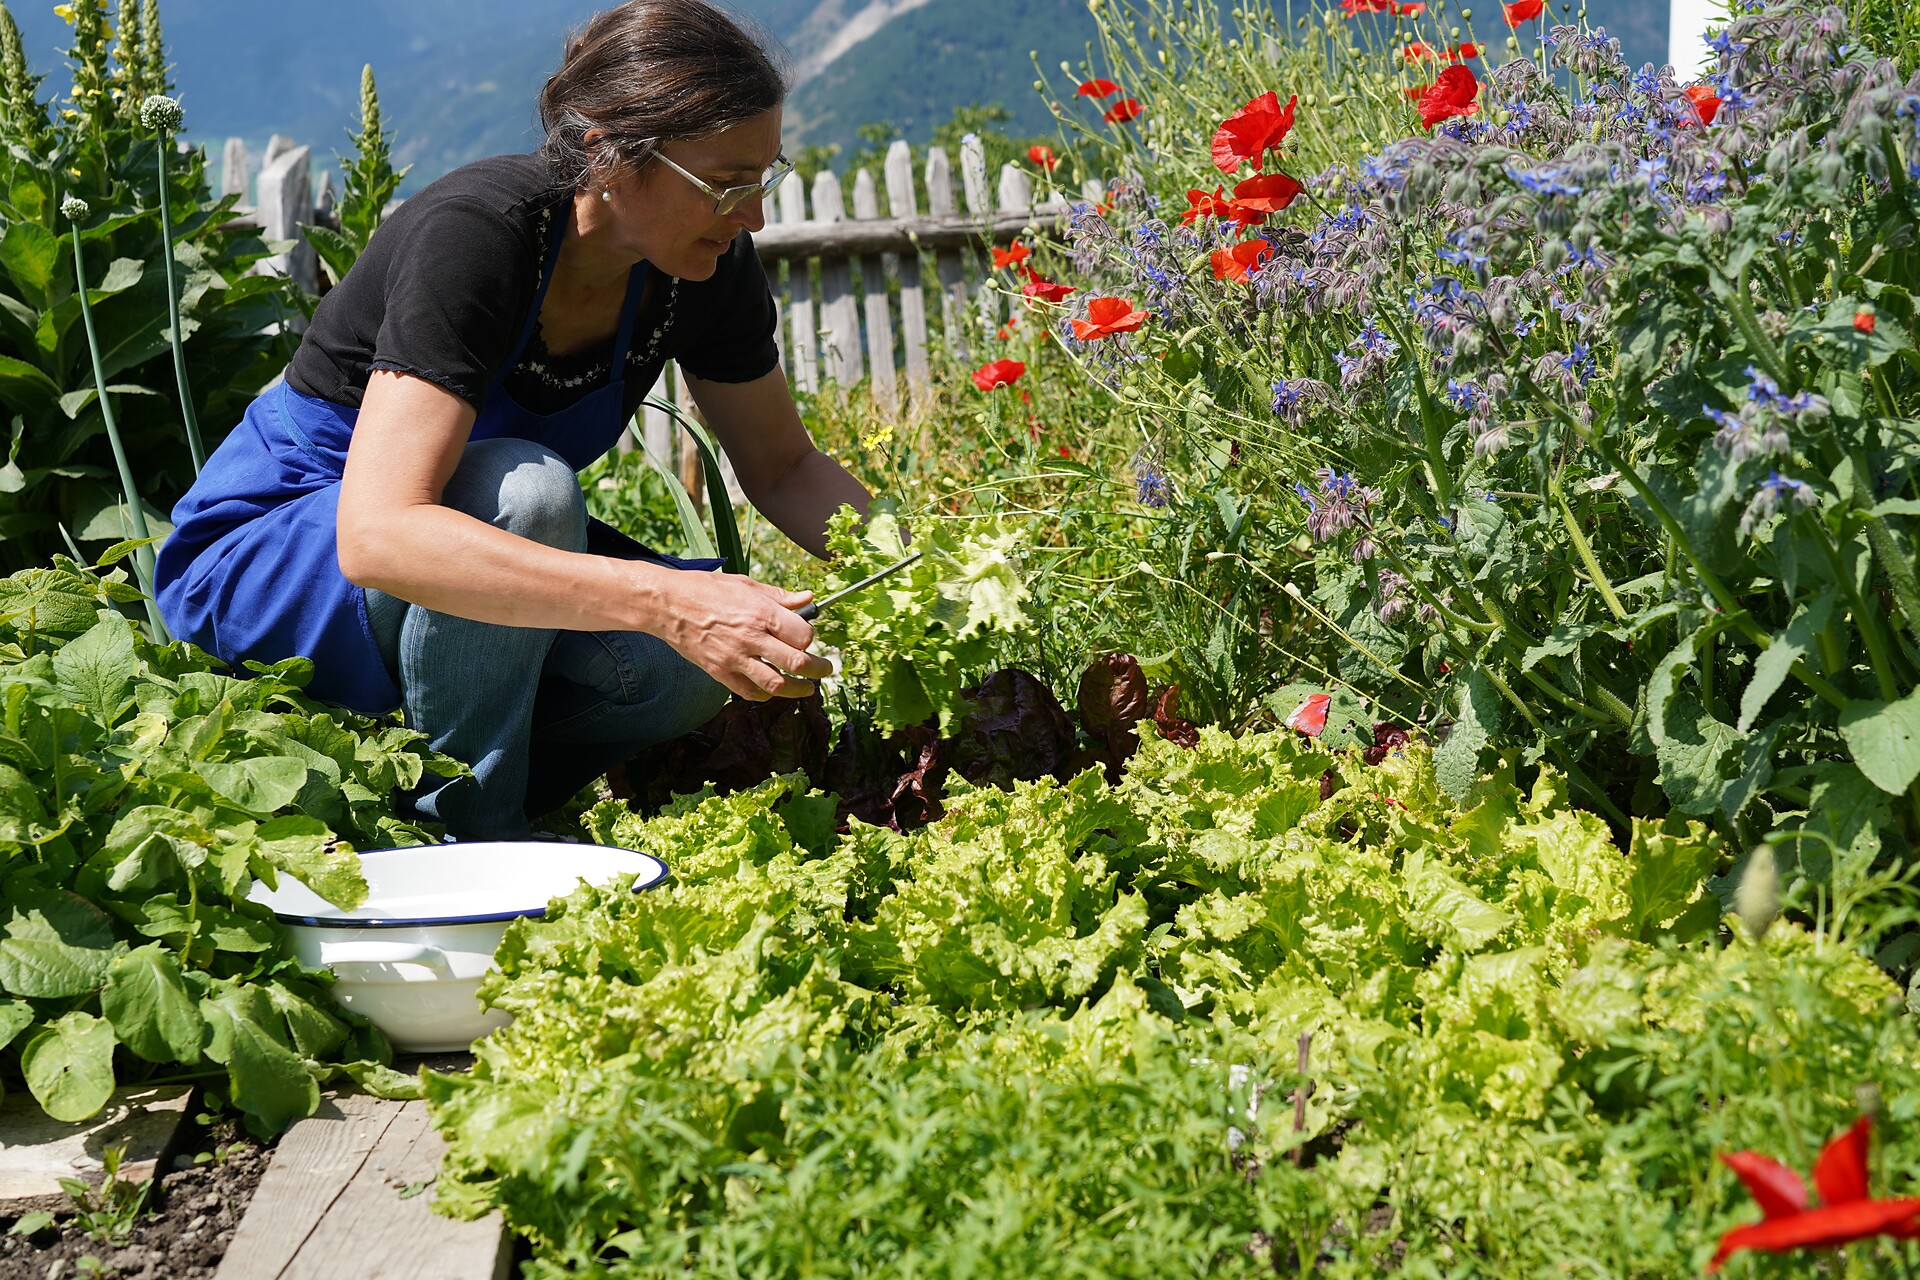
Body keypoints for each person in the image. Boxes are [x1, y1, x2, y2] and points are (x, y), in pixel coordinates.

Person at [154, 0, 871, 840]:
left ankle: (414, 801)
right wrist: (666, 597)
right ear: (609, 150)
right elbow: (379, 533)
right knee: (528, 494)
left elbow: (783, 467)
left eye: (765, 178)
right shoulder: (479, 237)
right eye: (725, 184)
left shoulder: (704, 270)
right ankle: (473, 842)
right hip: (275, 554)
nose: (753, 216)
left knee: (682, 672)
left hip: (448, 573)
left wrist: (940, 562)